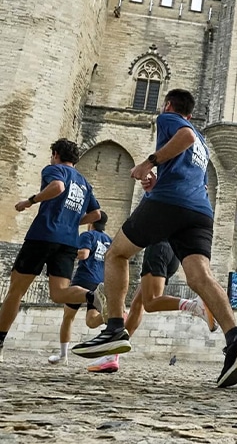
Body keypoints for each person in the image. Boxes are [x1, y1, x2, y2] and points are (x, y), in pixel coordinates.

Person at [71, 90, 237, 390]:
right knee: (201, 277)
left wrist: (149, 162)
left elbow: (181, 135)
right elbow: (186, 169)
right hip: (199, 211)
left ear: (169, 105)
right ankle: (235, 338)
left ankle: (116, 328)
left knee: (116, 254)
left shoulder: (170, 120)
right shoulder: (203, 142)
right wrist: (158, 179)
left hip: (170, 203)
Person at [0, 139, 104, 361]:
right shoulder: (85, 182)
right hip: (68, 241)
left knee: (16, 291)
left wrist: (30, 201)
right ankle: (91, 295)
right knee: (59, 293)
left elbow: (58, 187)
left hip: (43, 235)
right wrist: (73, 221)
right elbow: (96, 214)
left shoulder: (54, 169)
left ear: (56, 154)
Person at [86, 240, 217, 373]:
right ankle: (111, 356)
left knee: (151, 302)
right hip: (173, 253)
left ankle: (195, 306)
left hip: (158, 247)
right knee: (137, 305)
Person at [48, 211, 111, 364]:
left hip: (83, 280)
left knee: (68, 317)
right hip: (101, 282)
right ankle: (108, 316)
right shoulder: (110, 240)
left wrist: (66, 254)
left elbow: (83, 254)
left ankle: (63, 356)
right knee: (91, 321)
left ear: (92, 222)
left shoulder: (88, 235)